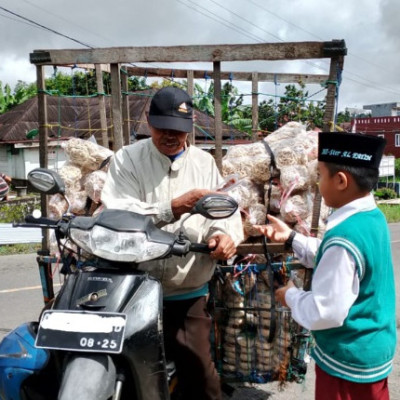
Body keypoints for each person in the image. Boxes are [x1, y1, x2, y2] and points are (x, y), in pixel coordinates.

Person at [101, 86, 243, 400]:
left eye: (178, 131)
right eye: (163, 128)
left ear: (189, 130)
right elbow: (118, 215)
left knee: (202, 381)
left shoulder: (204, 163)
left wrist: (223, 236)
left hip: (187, 290)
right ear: (149, 124)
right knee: (128, 376)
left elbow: (222, 211)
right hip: (133, 288)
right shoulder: (127, 160)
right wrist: (174, 206)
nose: (171, 136)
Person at [254, 131, 396, 400]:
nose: (318, 183)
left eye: (320, 175)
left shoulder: (344, 237)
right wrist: (293, 238)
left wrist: (290, 296)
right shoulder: (371, 217)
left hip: (348, 361)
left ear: (341, 181)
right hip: (373, 349)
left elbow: (325, 311)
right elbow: (340, 261)